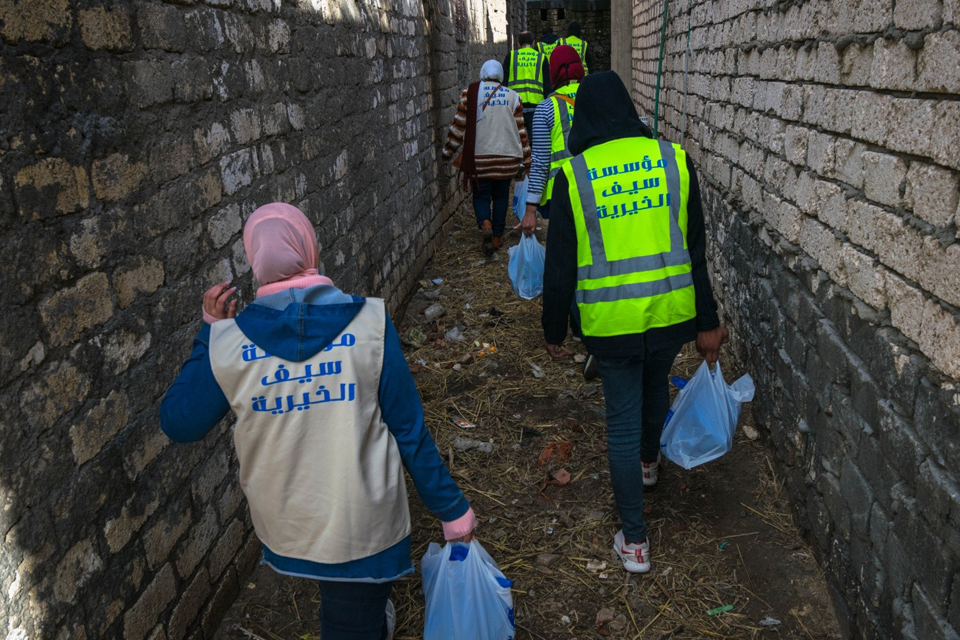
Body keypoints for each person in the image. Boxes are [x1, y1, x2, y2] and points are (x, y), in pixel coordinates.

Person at [160, 203, 477, 640]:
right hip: (362, 521)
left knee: (345, 606)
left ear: (257, 261)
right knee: (352, 614)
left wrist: (210, 330)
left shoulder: (230, 343)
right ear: (310, 248)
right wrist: (451, 510)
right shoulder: (369, 323)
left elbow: (179, 422)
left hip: (290, 525)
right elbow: (407, 428)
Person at [540, 71, 729, 574]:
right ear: (628, 110)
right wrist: (707, 320)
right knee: (656, 388)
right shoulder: (674, 161)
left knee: (620, 422)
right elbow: (696, 254)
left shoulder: (574, 177)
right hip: (671, 315)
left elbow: (558, 269)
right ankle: (650, 464)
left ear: (582, 118)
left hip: (611, 324)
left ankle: (636, 542)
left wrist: (554, 331)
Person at [443, 60, 531, 255]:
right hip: (507, 160)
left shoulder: (469, 93)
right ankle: (498, 237)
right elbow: (521, 132)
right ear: (501, 77)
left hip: (479, 159)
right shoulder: (513, 96)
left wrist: (447, 153)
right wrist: (527, 161)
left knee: (481, 195)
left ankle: (485, 223)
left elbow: (458, 128)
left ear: (482, 73)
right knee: (501, 196)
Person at [520, 44, 583, 235]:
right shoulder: (597, 95)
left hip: (562, 193)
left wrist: (531, 209)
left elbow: (539, 162)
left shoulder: (546, 108)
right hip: (597, 183)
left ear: (552, 72)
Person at [503, 30, 552, 146]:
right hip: (538, 109)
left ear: (518, 44)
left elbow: (504, 83)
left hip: (516, 107)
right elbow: (547, 86)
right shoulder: (542, 58)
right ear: (534, 43)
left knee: (517, 143)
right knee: (536, 144)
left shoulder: (511, 56)